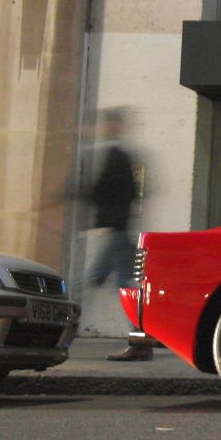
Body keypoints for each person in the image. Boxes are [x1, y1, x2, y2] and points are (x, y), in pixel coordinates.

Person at [84, 108, 152, 362]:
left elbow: (104, 190)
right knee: (113, 283)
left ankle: (141, 341)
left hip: (117, 232)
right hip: (118, 230)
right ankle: (141, 340)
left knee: (120, 285)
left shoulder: (116, 155)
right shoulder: (120, 155)